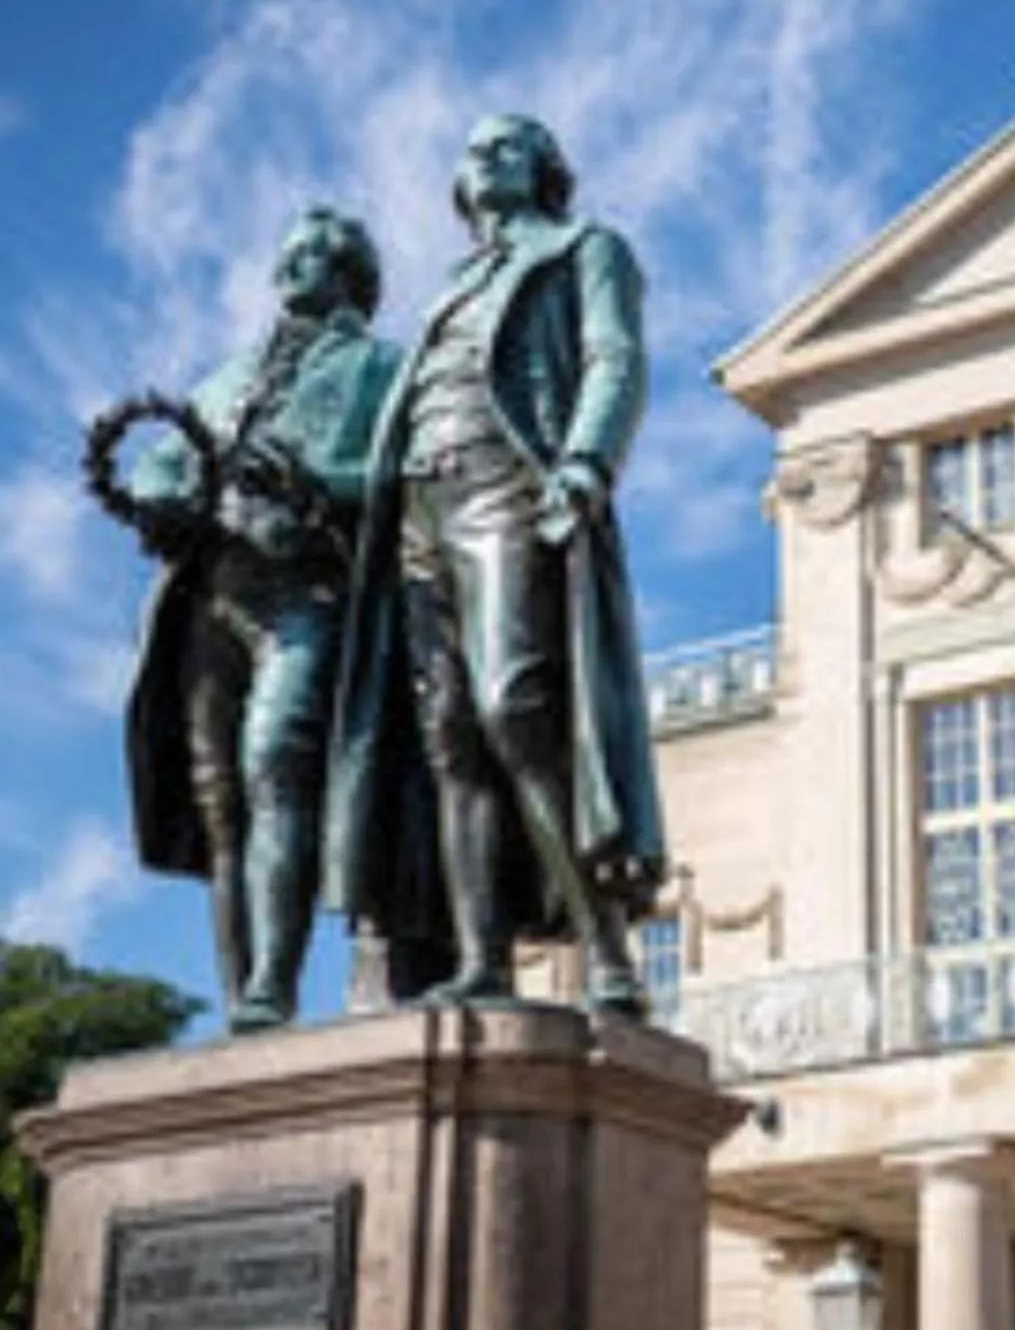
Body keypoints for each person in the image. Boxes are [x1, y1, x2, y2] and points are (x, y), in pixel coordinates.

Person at [325, 114, 665, 1015]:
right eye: (472, 149)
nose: (483, 156)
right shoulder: (451, 289)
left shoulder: (587, 247)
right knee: (450, 741)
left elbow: (615, 358)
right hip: (417, 513)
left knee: (515, 705)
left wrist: (588, 460)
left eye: (507, 145)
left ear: (547, 169)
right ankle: (481, 957)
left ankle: (607, 954)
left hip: (505, 485)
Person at [124, 206, 403, 1032]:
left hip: (305, 591)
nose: (294, 264)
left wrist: (320, 481)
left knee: (278, 761)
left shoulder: (382, 368)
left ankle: (271, 987)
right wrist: (157, 498)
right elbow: (159, 465)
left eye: (314, 252)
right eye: (286, 252)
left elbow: (403, 478)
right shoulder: (222, 379)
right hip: (209, 598)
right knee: (220, 807)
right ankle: (241, 999)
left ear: (352, 274)